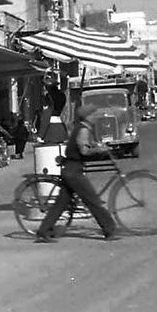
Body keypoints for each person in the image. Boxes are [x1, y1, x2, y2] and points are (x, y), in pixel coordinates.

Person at [35, 104, 119, 243]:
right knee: (92, 200)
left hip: (70, 169)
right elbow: (84, 151)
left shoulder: (81, 128)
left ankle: (43, 231)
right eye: (94, 114)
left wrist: (96, 147)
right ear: (88, 116)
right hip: (73, 171)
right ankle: (109, 229)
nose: (96, 117)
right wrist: (100, 150)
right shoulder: (84, 130)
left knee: (60, 204)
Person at [38, 75, 68, 143]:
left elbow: (46, 117)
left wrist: (40, 136)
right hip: (61, 130)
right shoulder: (62, 96)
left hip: (50, 131)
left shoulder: (48, 98)